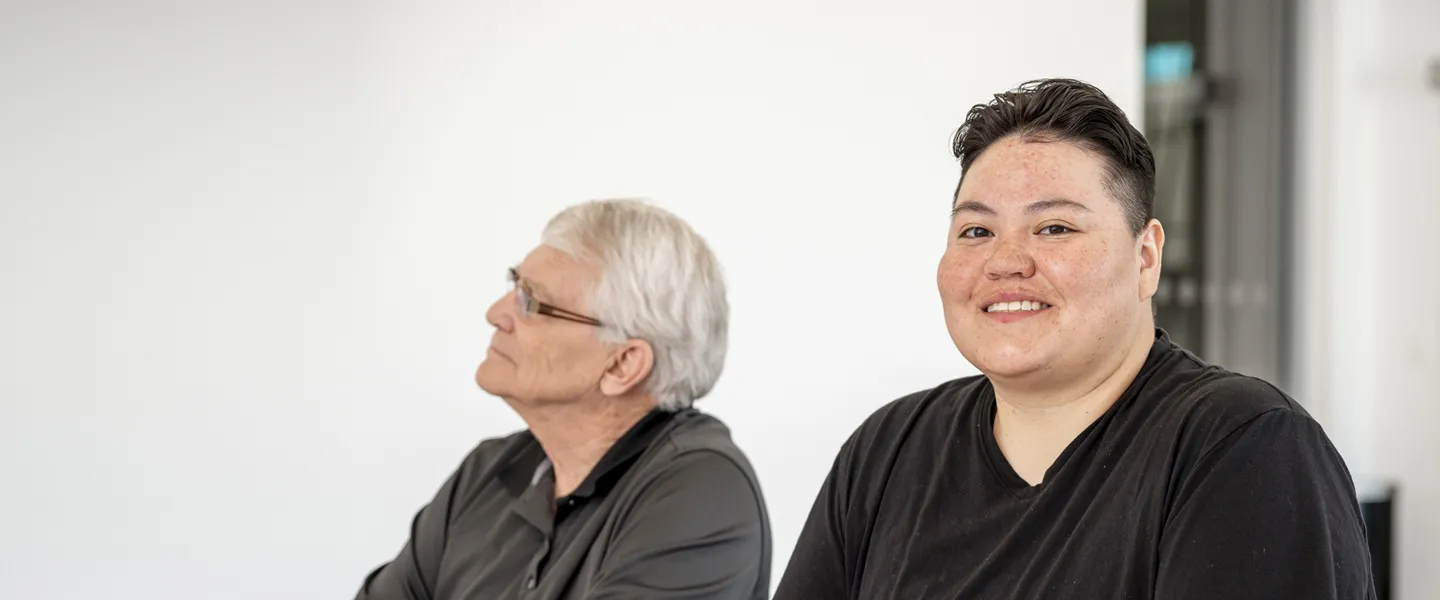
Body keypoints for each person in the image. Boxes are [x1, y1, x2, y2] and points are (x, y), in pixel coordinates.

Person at [773, 79, 1375, 599]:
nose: (1005, 262)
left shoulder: (1241, 447)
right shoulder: (889, 452)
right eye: (977, 230)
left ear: (1146, 258)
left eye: (1054, 227)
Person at [356, 198, 771, 600]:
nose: (496, 313)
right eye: (513, 285)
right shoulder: (488, 473)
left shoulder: (701, 494)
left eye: (532, 303)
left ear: (621, 365)